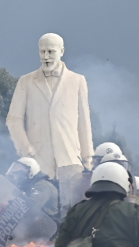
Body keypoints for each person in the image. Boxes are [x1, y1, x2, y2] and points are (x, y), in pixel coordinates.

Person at [6, 33, 93, 180]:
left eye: (51, 51)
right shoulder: (25, 82)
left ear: (62, 51)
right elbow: (14, 119)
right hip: (37, 160)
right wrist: (25, 148)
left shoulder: (77, 81)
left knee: (72, 202)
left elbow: (84, 122)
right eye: (42, 51)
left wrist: (88, 157)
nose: (46, 56)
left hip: (70, 158)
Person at [0, 157, 60, 247]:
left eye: (19, 173)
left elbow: (30, 207)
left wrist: (8, 206)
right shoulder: (26, 189)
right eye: (15, 174)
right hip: (31, 228)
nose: (17, 177)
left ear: (31, 172)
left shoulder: (43, 186)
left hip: (46, 232)